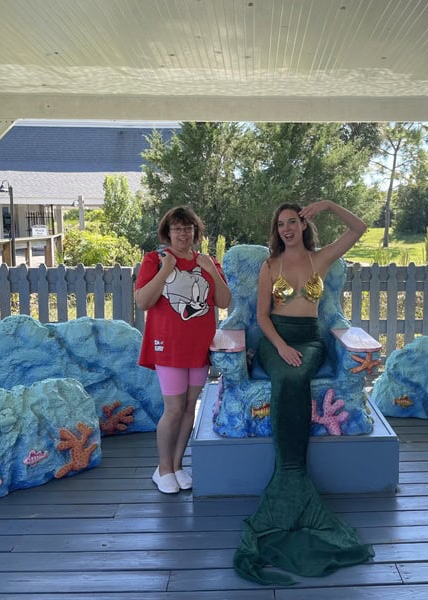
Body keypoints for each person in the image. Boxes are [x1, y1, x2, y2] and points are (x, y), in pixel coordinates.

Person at [233, 200, 374, 585]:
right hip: (275, 339)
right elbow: (262, 315)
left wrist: (328, 205)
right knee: (286, 376)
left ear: (303, 224)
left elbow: (359, 228)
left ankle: (292, 475)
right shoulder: (269, 266)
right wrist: (278, 346)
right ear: (276, 230)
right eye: (280, 224)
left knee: (296, 377)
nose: (286, 229)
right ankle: (289, 473)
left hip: (310, 341)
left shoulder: (320, 260)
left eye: (292, 222)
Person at [135, 206, 231, 494]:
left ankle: (177, 466)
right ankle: (162, 468)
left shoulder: (207, 261)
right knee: (174, 409)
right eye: (176, 228)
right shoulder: (155, 259)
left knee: (190, 407)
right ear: (167, 232)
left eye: (188, 228)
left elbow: (224, 301)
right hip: (169, 348)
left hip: (198, 348)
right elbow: (143, 301)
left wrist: (211, 269)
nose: (182, 233)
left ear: (195, 232)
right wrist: (166, 269)